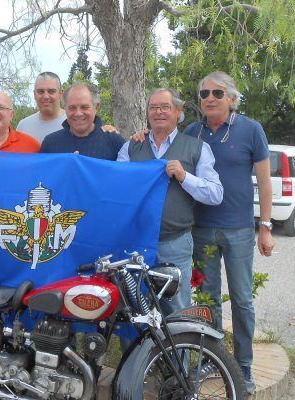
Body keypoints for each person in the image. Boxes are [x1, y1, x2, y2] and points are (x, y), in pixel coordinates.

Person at [185, 71, 274, 394]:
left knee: (242, 300)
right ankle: (212, 360)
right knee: (207, 300)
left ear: (232, 99)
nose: (209, 98)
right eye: (204, 93)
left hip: (238, 230)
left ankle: (244, 365)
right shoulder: (192, 132)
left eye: (218, 93)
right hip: (201, 230)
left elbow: (264, 181)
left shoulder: (251, 130)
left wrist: (265, 227)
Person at [117, 88, 223, 314]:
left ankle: (179, 340)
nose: (158, 112)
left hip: (174, 243)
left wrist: (185, 177)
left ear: (178, 111)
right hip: (135, 244)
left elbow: (216, 194)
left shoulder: (197, 148)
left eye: (165, 107)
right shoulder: (131, 146)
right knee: (135, 310)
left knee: (177, 311)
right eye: (153, 107)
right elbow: (116, 189)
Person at [40, 82, 125, 159]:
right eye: (72, 108)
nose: (78, 113)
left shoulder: (114, 142)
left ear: (96, 107)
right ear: (65, 108)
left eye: (84, 107)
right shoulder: (50, 144)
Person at [16, 71, 66, 142]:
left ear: (60, 94)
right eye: (40, 91)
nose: (46, 96)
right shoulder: (23, 127)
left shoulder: (73, 123)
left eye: (51, 91)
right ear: (34, 94)